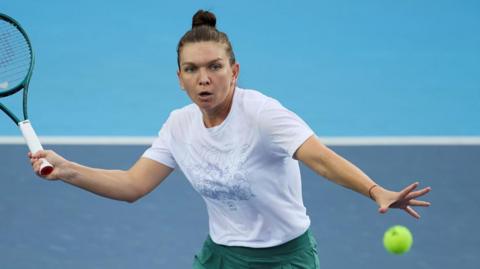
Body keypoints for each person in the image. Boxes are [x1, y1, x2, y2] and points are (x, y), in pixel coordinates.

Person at [29, 10, 431, 269]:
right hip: (220, 255)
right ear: (180, 78)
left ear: (234, 70)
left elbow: (320, 158)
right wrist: (67, 169)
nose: (204, 78)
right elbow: (133, 185)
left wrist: (375, 190)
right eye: (192, 69)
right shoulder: (178, 125)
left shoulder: (263, 115)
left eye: (214, 67)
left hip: (284, 258)